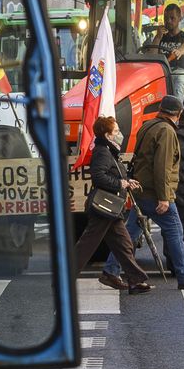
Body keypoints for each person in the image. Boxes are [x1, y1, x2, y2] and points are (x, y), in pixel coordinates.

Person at [99, 94, 184, 291]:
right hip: (155, 193)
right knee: (175, 231)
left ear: (161, 110)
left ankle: (111, 270)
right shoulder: (167, 132)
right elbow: (162, 168)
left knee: (129, 234)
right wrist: (164, 197)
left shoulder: (148, 126)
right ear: (178, 114)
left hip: (142, 190)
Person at [74, 115, 153, 294]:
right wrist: (121, 184)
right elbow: (99, 176)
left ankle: (133, 279)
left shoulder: (109, 150)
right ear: (107, 135)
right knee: (86, 246)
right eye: (116, 131)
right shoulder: (102, 151)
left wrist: (127, 181)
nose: (119, 134)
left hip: (111, 207)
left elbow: (112, 174)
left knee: (124, 244)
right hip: (104, 207)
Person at [155, 3, 184, 104]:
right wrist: (157, 37)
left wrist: (180, 50)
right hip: (163, 74)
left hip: (183, 74)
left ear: (180, 18)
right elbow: (151, 54)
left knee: (179, 80)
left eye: (172, 18)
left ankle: (175, 115)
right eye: (166, 18)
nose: (168, 21)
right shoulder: (160, 37)